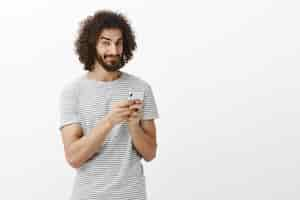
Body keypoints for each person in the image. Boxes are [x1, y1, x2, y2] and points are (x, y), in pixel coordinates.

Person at [58, 9, 159, 200]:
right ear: (92, 44)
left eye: (119, 43)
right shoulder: (72, 92)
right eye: (106, 43)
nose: (114, 50)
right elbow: (74, 157)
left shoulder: (141, 88)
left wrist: (134, 126)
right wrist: (109, 122)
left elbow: (150, 153)